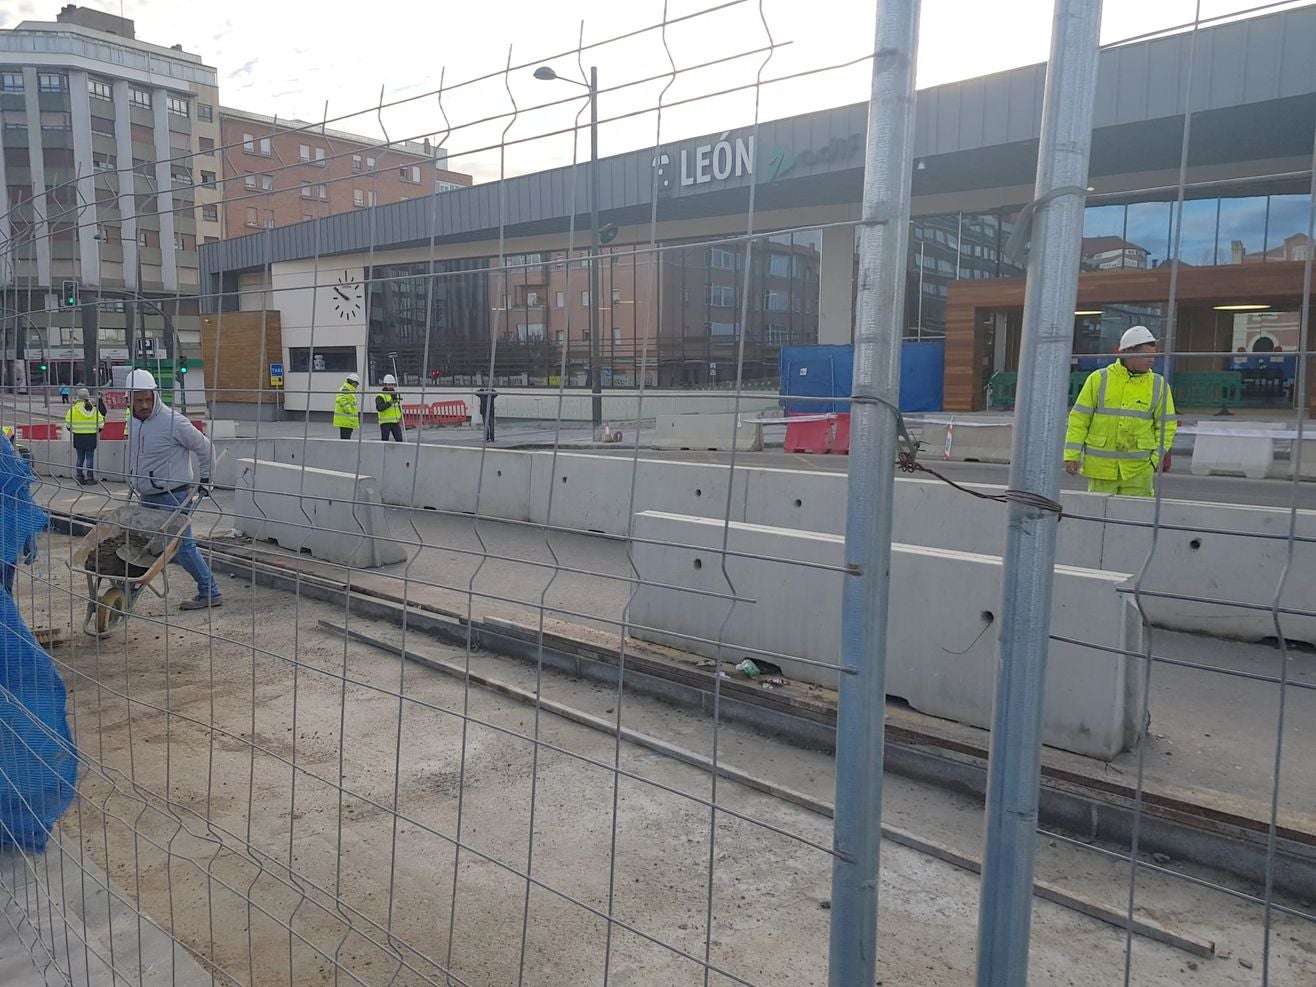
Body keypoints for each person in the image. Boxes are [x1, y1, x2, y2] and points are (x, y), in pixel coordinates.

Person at [125, 368, 221, 610]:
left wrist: (206, 480)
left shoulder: (173, 421)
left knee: (181, 546)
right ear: (128, 399)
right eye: (138, 400)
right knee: (144, 545)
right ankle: (131, 588)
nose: (145, 405)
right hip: (147, 495)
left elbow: (205, 448)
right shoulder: (133, 421)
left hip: (173, 496)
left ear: (156, 394)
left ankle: (210, 591)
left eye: (148, 398)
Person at [1065, 325, 1177, 497]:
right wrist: (1072, 455)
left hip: (1138, 471)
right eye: (1146, 355)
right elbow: (1079, 420)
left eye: (1153, 355)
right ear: (1128, 352)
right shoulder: (1099, 379)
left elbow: (1167, 427)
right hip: (1101, 470)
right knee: (1099, 519)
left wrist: (1154, 461)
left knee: (1134, 520)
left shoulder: (1158, 384)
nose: (1151, 360)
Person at [64, 387, 105, 485]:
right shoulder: (94, 409)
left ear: (78, 397)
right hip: (91, 437)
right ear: (87, 397)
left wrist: (74, 430)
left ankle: (79, 477)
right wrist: (96, 430)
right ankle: (90, 477)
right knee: (90, 458)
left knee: (80, 458)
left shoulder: (73, 410)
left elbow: (68, 424)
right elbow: (101, 423)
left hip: (78, 437)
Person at [375, 374, 403, 442]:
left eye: (392, 385)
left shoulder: (396, 394)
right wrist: (389, 403)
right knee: (385, 441)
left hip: (395, 422)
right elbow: (379, 408)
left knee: (399, 440)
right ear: (384, 385)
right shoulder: (380, 396)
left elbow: (398, 407)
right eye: (389, 385)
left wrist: (400, 416)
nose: (391, 387)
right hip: (385, 422)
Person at [334, 372, 360, 439]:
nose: (357, 386)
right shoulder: (345, 389)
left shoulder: (348, 389)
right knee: (345, 440)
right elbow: (341, 398)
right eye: (357, 384)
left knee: (346, 439)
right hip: (346, 421)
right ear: (354, 383)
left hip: (348, 421)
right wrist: (349, 410)